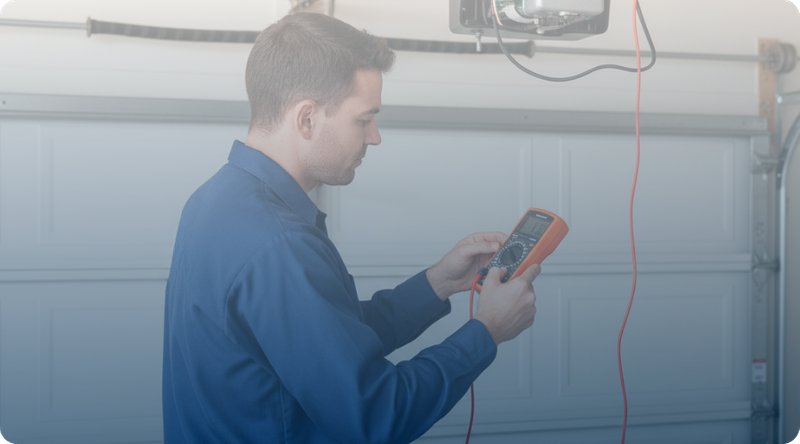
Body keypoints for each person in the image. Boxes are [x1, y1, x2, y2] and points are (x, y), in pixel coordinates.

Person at [162, 12, 540, 444]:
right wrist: (486, 331)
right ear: (306, 118)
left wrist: (437, 283)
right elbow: (377, 416)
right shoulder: (280, 243)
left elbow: (320, 342)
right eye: (364, 119)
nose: (375, 137)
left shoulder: (214, 201)